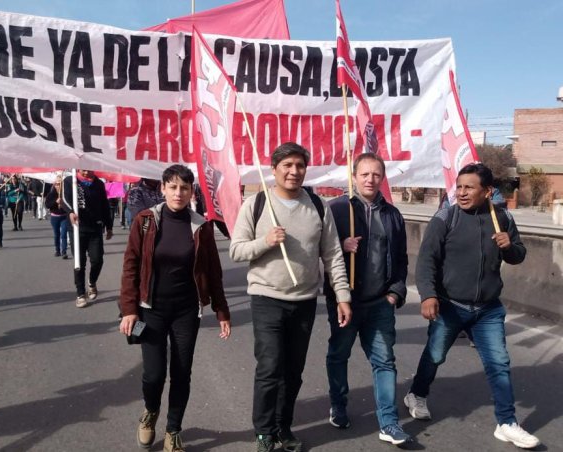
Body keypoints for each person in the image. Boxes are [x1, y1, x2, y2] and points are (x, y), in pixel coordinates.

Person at [405, 163, 540, 449]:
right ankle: (416, 394)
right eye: (460, 187)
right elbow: (427, 259)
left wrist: (509, 247)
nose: (462, 193)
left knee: (499, 363)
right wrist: (428, 295)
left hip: (488, 309)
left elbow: (518, 255)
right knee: (435, 355)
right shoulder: (446, 217)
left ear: (487, 192)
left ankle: (506, 423)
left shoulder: (501, 217)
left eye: (469, 187)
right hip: (450, 306)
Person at [229, 142, 351, 452]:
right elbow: (236, 250)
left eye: (299, 165)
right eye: (287, 165)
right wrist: (265, 241)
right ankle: (264, 432)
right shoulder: (256, 204)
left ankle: (284, 427)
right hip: (267, 298)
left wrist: (342, 296)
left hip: (305, 301)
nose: (294, 171)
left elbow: (333, 254)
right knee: (270, 367)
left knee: (293, 371)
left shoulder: (318, 206)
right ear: (274, 169)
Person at [119, 164, 231, 452]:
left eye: (184, 187)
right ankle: (150, 412)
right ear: (163, 189)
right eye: (173, 186)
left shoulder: (201, 227)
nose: (178, 192)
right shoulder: (145, 221)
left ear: (191, 191)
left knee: (182, 372)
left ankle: (173, 429)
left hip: (185, 312)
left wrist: (221, 311)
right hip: (150, 310)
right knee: (154, 374)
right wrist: (129, 308)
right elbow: (130, 266)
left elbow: (213, 272)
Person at [323, 153, 411, 445]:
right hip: (346, 301)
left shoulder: (393, 215)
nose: (370, 179)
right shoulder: (337, 209)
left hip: (379, 303)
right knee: (339, 355)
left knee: (385, 361)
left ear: (383, 178)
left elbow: (400, 259)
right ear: (354, 176)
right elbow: (317, 252)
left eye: (376, 174)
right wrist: (339, 246)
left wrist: (395, 293)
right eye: (364, 174)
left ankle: (389, 421)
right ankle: (338, 404)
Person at [62, 170, 113, 307]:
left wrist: (109, 226)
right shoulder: (70, 181)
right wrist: (71, 212)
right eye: (82, 169)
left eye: (88, 168)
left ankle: (92, 282)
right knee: (80, 262)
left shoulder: (98, 184)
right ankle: (80, 293)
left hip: (95, 228)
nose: (85, 171)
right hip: (77, 228)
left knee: (97, 260)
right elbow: (64, 199)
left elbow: (104, 206)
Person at [45, 176, 69, 259]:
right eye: (57, 184)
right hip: (55, 217)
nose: (58, 186)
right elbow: (47, 205)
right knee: (57, 234)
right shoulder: (51, 194)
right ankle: (57, 250)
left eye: (60, 184)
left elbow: (70, 204)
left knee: (64, 234)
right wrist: (55, 202)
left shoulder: (65, 193)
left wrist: (63, 203)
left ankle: (64, 251)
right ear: (54, 185)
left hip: (64, 217)